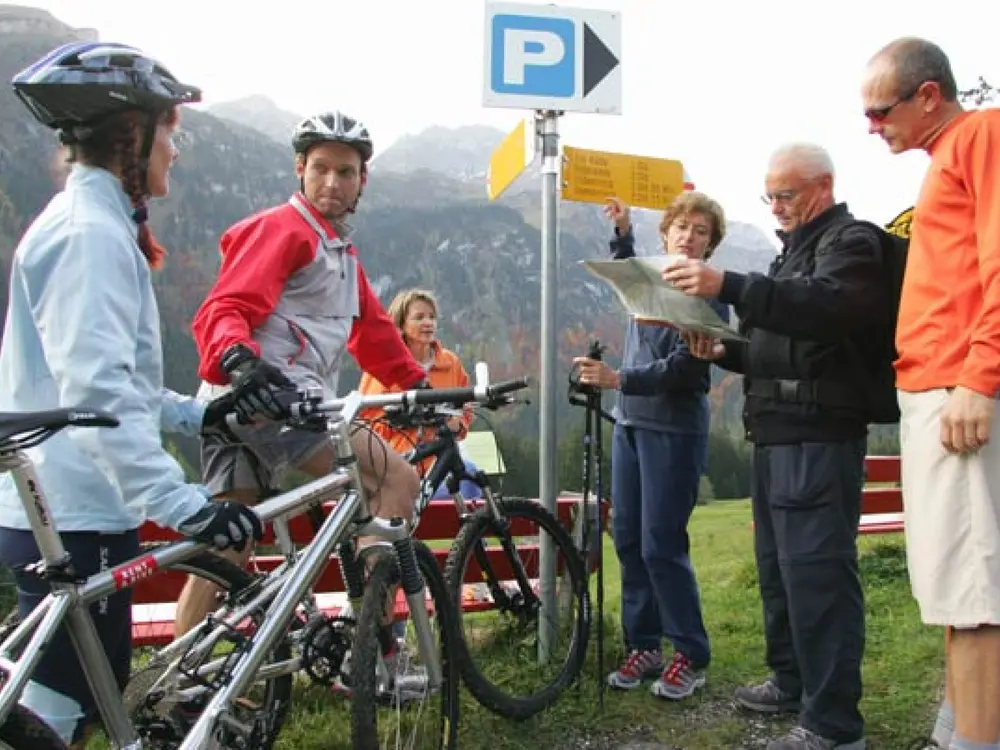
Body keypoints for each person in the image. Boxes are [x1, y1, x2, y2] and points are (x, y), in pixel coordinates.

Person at [0, 42, 263, 748]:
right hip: (73, 510)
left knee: (76, 708)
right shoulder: (90, 234)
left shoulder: (97, 224)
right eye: (170, 130)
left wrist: (193, 411)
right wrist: (185, 506)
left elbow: (117, 387)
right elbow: (97, 394)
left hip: (77, 502)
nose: (176, 149)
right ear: (129, 135)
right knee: (56, 717)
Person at [664, 144, 884, 750]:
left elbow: (827, 310)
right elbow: (777, 344)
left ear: (823, 186)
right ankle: (792, 682)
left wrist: (728, 284)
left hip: (819, 434)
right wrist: (725, 350)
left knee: (817, 578)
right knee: (779, 576)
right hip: (776, 432)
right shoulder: (790, 256)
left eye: (785, 195)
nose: (777, 207)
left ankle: (834, 726)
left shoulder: (851, 243)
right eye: (770, 196)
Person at [179, 110, 428, 637]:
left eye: (346, 172)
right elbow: (226, 307)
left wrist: (418, 384)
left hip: (226, 405)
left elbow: (375, 335)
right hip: (274, 400)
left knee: (228, 544)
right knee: (394, 478)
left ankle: (172, 692)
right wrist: (240, 361)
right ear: (299, 168)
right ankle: (374, 647)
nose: (332, 183)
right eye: (320, 168)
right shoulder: (286, 229)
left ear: (362, 181)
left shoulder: (338, 254)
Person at [862, 37, 1000, 750]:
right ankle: (957, 732)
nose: (872, 125)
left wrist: (981, 376)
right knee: (955, 586)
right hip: (934, 389)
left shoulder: (980, 134)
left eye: (880, 110)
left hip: (958, 389)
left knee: (975, 596)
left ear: (927, 95)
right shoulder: (945, 158)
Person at [572, 191, 726, 701]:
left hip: (674, 430)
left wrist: (619, 379)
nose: (688, 235)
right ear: (667, 232)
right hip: (631, 425)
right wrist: (622, 232)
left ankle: (691, 653)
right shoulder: (651, 277)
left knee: (662, 543)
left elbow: (686, 370)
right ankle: (645, 644)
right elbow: (627, 275)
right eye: (682, 226)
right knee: (630, 542)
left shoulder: (710, 294)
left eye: (701, 230)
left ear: (710, 243)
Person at [359, 288, 483, 501]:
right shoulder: (385, 366)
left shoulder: (450, 363)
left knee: (470, 478)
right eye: (419, 317)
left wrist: (458, 423)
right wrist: (407, 421)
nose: (428, 322)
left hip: (442, 458)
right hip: (398, 461)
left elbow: (465, 407)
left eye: (432, 317)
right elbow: (367, 420)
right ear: (401, 325)